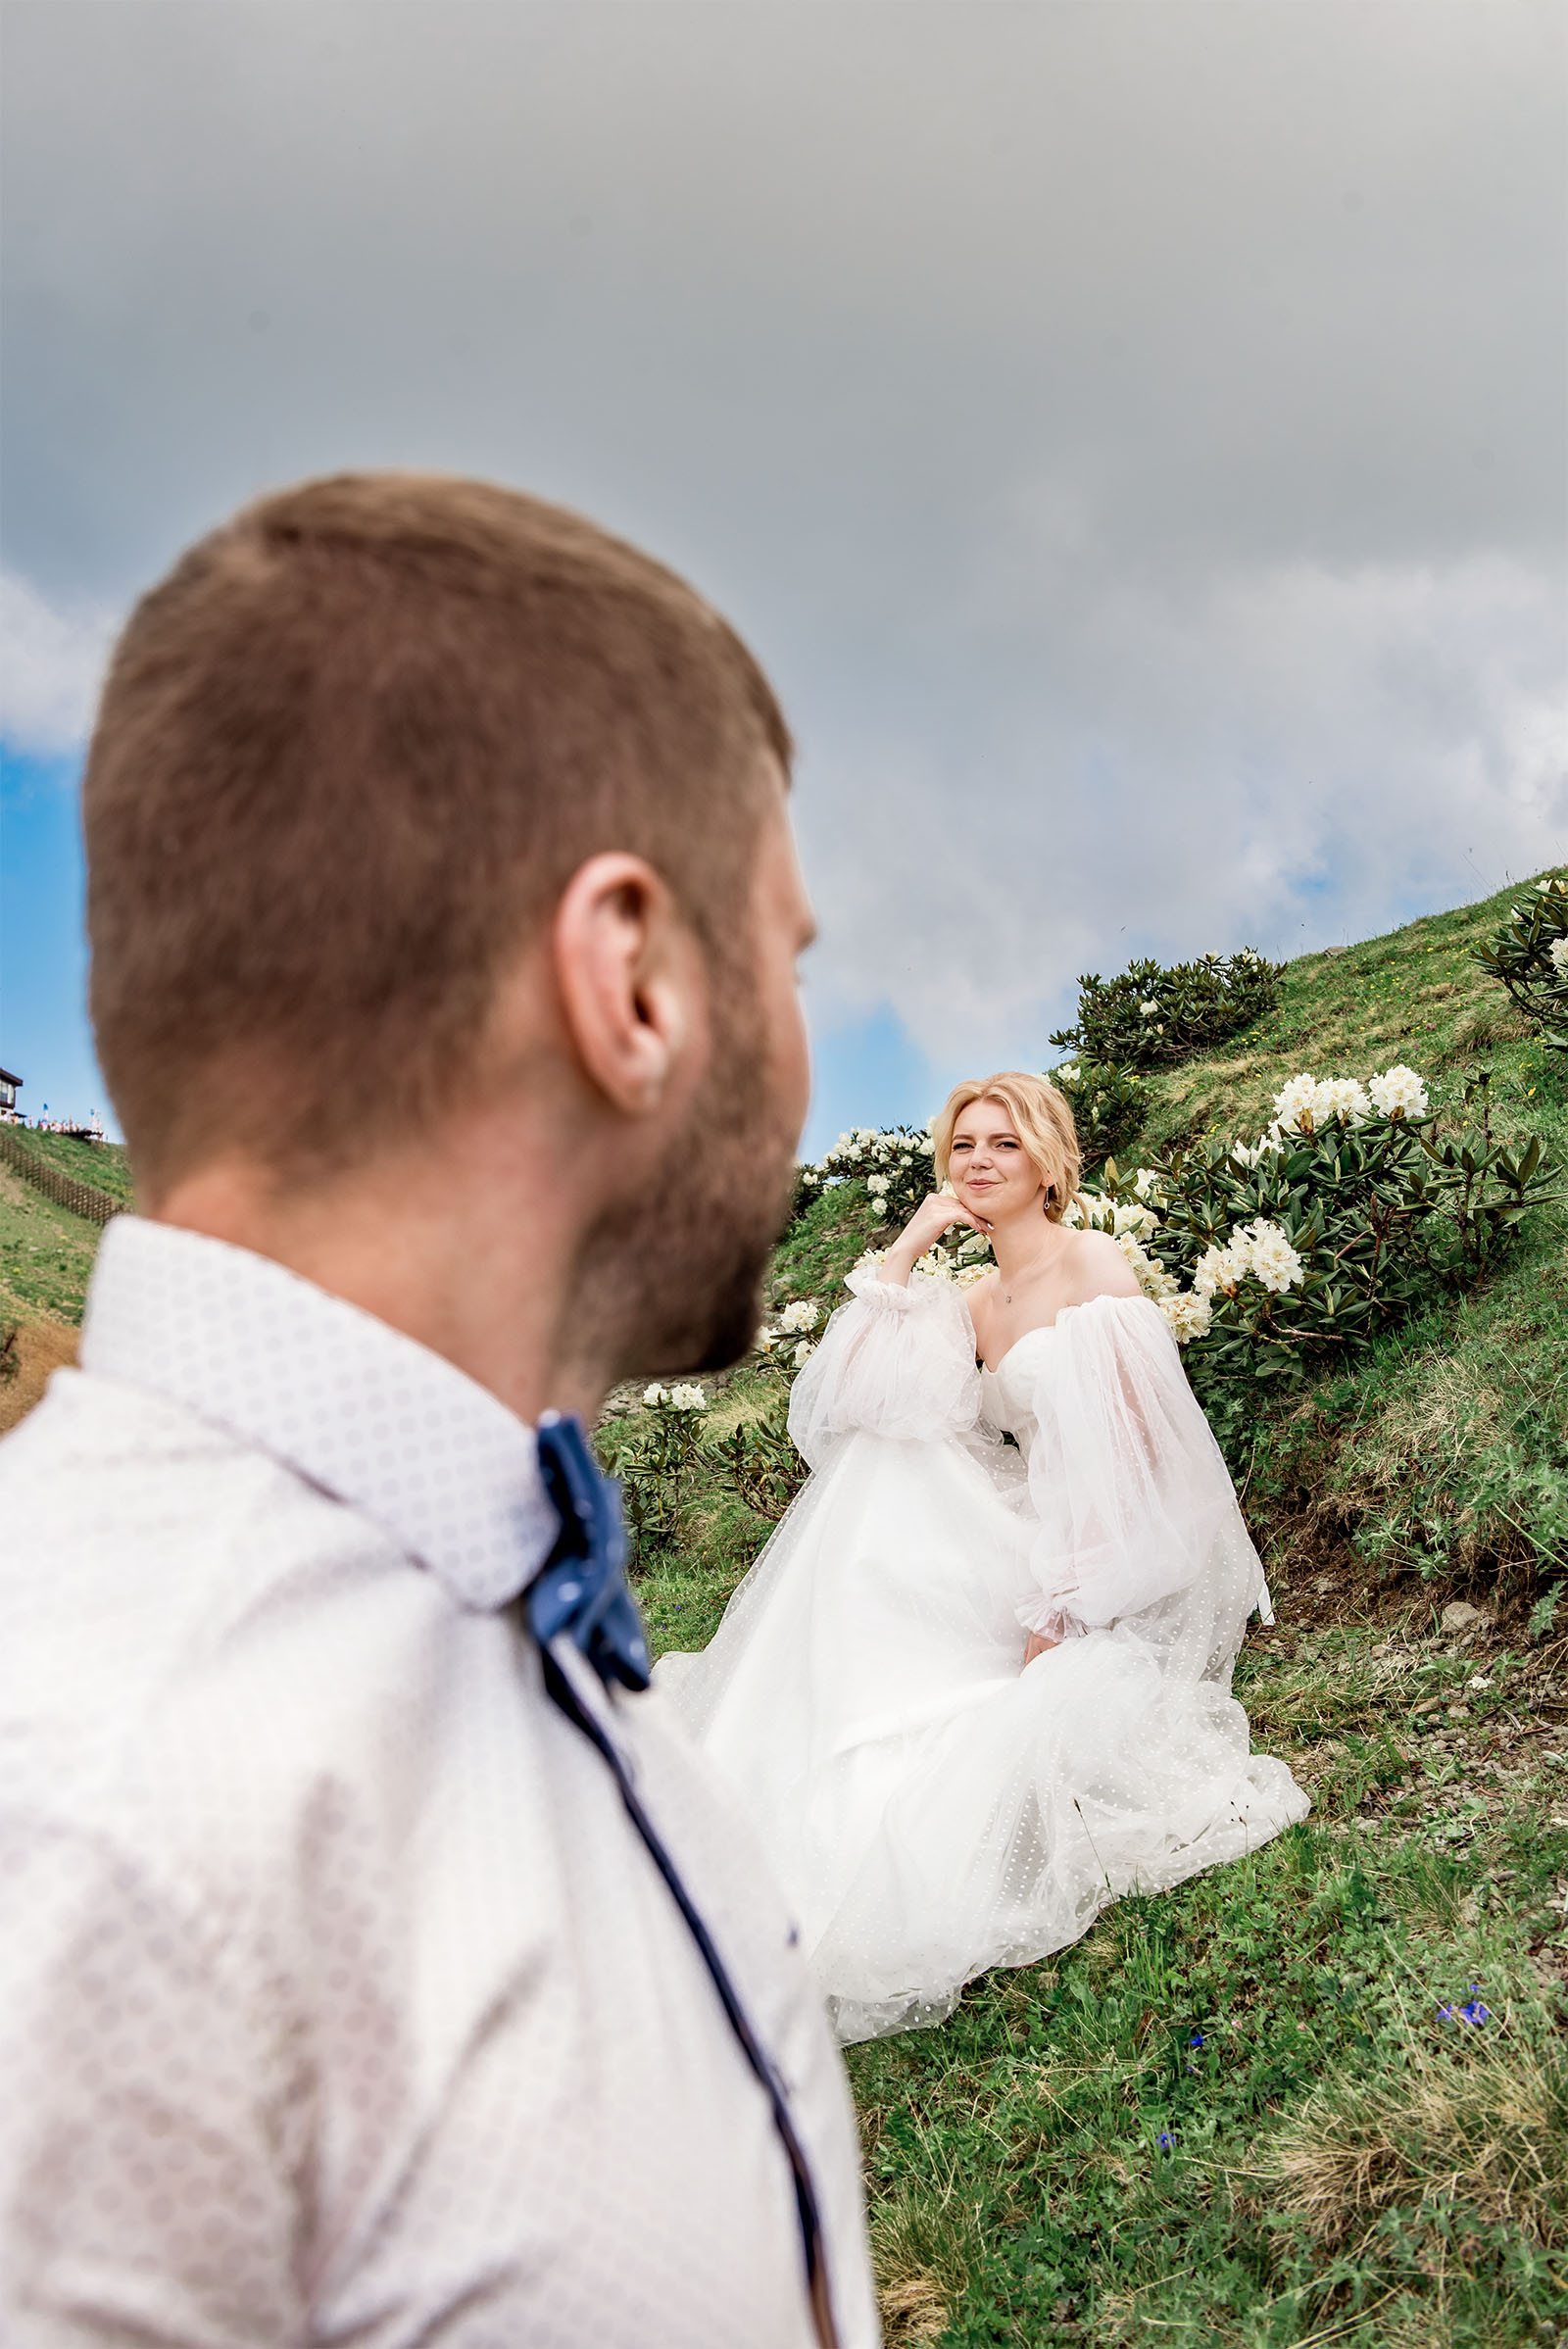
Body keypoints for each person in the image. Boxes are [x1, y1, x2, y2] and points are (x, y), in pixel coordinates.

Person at [0, 474, 879, 2349]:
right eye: (787, 960)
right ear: (630, 979)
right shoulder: (91, 1832)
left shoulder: (461, 1591)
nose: (803, 1054)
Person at [661, 1072, 1309, 2046]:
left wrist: (1070, 1607)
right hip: (1024, 1531)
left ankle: (855, 1716)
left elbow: (1145, 1471)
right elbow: (850, 1407)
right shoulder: (969, 1298)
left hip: (1099, 1555)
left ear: (1049, 1162)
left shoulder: (1092, 1267)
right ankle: (813, 1712)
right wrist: (910, 1249)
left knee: (921, 1550)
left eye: (1003, 1144)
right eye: (963, 1146)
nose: (979, 1162)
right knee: (883, 1460)